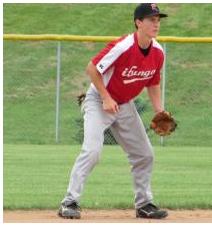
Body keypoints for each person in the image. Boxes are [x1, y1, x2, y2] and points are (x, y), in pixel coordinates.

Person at [58, 3, 168, 220]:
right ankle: (69, 201)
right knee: (92, 151)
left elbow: (153, 82)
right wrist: (106, 97)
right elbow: (92, 68)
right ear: (138, 22)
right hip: (99, 101)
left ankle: (144, 205)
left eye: (157, 20)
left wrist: (159, 111)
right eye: (151, 19)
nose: (156, 24)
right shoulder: (124, 46)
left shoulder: (158, 51)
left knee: (145, 154)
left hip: (125, 104)